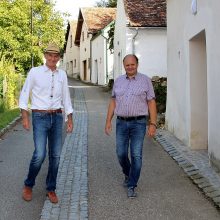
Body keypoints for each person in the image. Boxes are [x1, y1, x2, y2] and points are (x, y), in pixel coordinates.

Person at [19, 43, 73, 204]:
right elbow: (24, 94)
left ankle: (51, 189)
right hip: (40, 117)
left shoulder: (62, 74)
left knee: (55, 156)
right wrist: (25, 116)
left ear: (59, 58)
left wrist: (70, 118)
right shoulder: (35, 72)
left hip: (56, 117)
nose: (52, 58)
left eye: (56, 56)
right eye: (50, 55)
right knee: (40, 154)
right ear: (45, 55)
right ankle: (29, 184)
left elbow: (66, 97)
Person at [105, 54, 157, 198]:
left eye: (132, 64)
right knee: (121, 153)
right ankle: (128, 174)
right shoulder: (118, 81)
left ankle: (132, 184)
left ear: (137, 64)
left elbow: (151, 102)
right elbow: (113, 102)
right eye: (127, 65)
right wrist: (108, 121)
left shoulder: (145, 80)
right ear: (124, 66)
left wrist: (153, 123)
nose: (130, 67)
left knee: (136, 154)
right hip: (121, 122)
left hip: (139, 123)